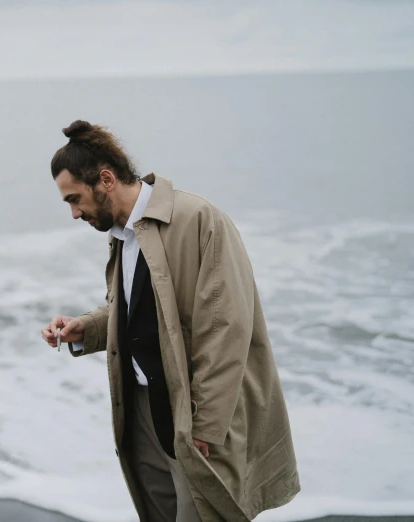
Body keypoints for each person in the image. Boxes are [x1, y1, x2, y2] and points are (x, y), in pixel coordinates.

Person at [41, 120, 300, 521]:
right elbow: (142, 309)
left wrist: (206, 426)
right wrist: (86, 328)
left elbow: (226, 328)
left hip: (192, 414)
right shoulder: (122, 234)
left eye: (75, 199)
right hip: (143, 408)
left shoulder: (198, 219)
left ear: (106, 179)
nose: (75, 213)